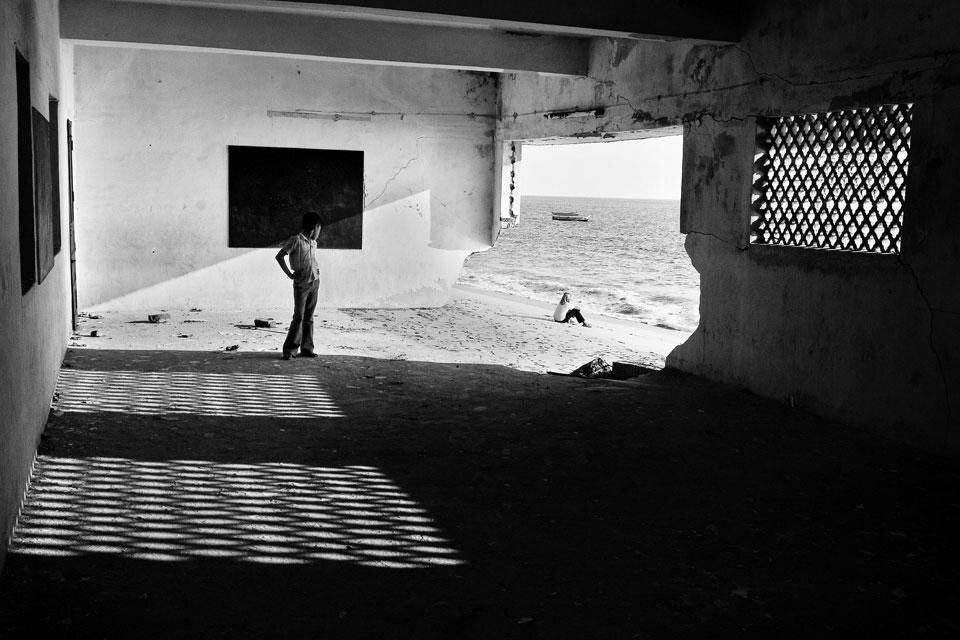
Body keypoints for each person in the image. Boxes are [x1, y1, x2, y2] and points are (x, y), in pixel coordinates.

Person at [275, 212, 322, 359]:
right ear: (315, 227)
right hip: (302, 284)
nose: (319, 232)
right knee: (299, 317)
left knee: (309, 317)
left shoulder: (313, 243)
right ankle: (289, 350)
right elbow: (279, 256)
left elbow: (311, 260)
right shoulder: (296, 240)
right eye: (319, 229)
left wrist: (316, 270)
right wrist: (290, 274)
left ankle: (307, 349)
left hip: (315, 282)